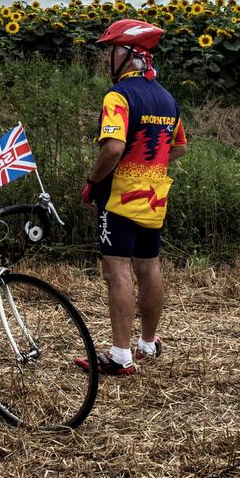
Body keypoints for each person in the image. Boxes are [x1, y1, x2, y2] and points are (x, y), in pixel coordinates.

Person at [75, 19, 187, 376]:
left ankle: (120, 355)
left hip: (120, 195)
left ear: (126, 54)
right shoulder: (166, 98)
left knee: (117, 269)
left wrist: (93, 182)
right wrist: (150, 164)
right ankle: (148, 343)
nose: (106, 58)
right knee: (149, 266)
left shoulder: (118, 96)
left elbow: (113, 147)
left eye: (110, 51)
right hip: (155, 196)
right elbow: (179, 146)